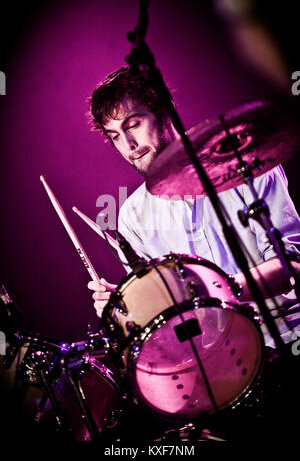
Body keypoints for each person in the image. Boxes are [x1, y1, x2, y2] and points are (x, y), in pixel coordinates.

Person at [87, 65, 300, 347]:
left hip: (285, 335)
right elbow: (166, 316)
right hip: (220, 360)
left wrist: (219, 289)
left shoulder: (248, 165)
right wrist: (128, 307)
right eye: (114, 136)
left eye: (133, 125)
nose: (128, 145)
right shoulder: (131, 217)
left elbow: (292, 265)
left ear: (163, 113)